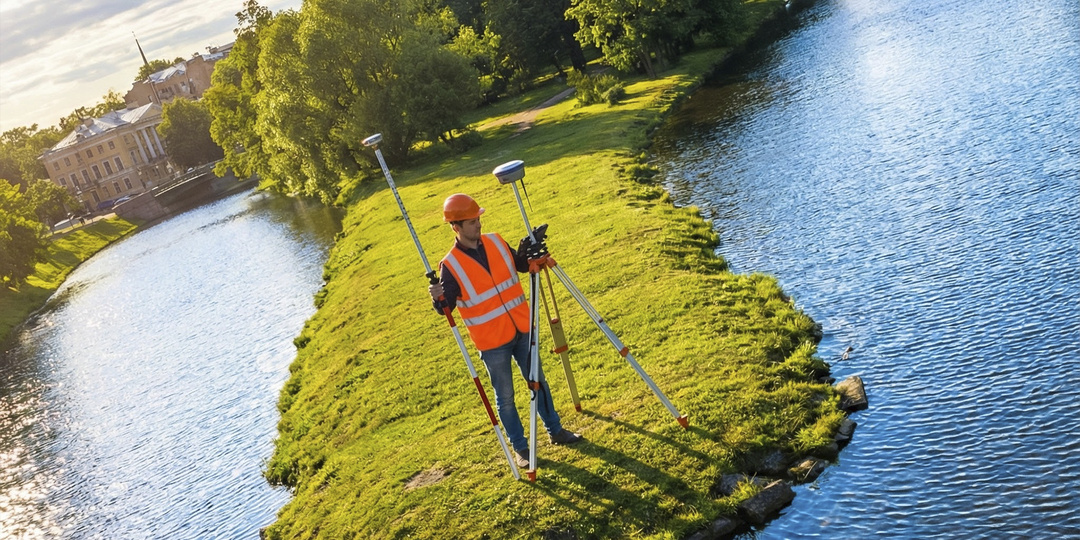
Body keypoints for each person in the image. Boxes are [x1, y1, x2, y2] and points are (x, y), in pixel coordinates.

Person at [429, 193, 581, 468]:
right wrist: (437, 297)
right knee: (506, 398)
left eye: (479, 219)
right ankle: (522, 449)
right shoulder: (449, 266)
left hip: (522, 327)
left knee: (539, 381)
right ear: (456, 227)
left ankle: (555, 431)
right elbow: (446, 306)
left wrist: (529, 250)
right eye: (472, 222)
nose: (478, 225)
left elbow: (520, 265)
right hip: (491, 342)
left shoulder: (497, 241)